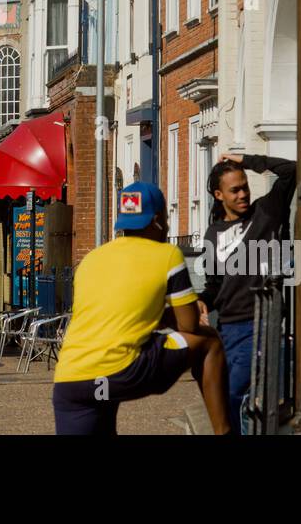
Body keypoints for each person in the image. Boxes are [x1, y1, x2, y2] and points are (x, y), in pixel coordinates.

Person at [52, 181, 231, 436]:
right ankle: (224, 432)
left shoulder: (91, 259)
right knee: (210, 343)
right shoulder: (167, 255)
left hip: (72, 382)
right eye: (166, 218)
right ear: (156, 220)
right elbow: (190, 325)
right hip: (119, 375)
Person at [199, 152, 297, 435]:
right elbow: (214, 285)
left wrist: (246, 160)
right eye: (235, 190)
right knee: (227, 398)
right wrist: (202, 301)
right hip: (227, 328)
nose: (243, 194)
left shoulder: (266, 211)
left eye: (245, 186)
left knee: (235, 396)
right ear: (219, 195)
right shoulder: (212, 234)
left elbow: (291, 170)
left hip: (261, 322)